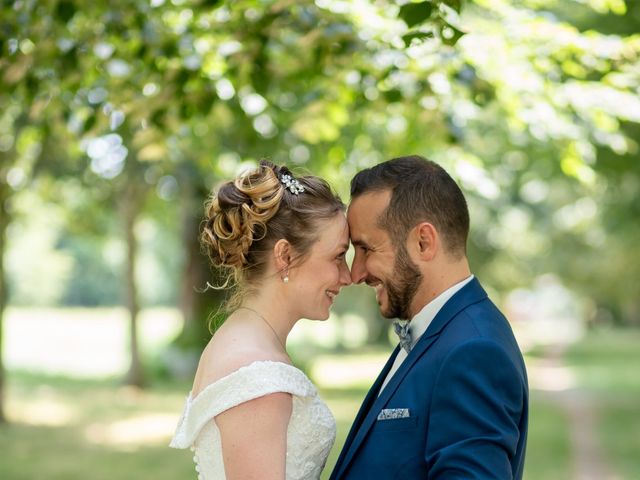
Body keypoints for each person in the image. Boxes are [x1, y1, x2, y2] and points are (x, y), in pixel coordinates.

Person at [330, 155, 529, 479]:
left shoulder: (474, 351)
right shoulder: (440, 331)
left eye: (366, 249)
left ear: (424, 242)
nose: (356, 273)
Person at [170, 160, 351, 479]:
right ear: (285, 256)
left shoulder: (243, 341)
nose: (347, 276)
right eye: (338, 256)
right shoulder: (258, 374)